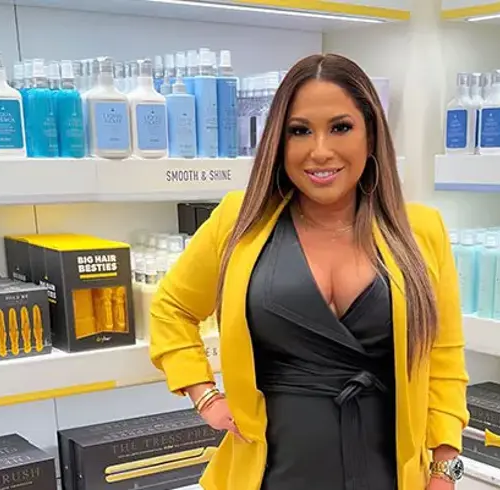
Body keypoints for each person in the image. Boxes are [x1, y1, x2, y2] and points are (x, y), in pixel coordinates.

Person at [149, 53, 469, 490]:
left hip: (387, 474)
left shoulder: (421, 231)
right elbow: (171, 308)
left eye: (340, 127)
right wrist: (203, 393)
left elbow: (444, 355)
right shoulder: (239, 221)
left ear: (371, 133)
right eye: (299, 131)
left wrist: (444, 466)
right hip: (270, 473)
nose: (320, 151)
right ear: (278, 142)